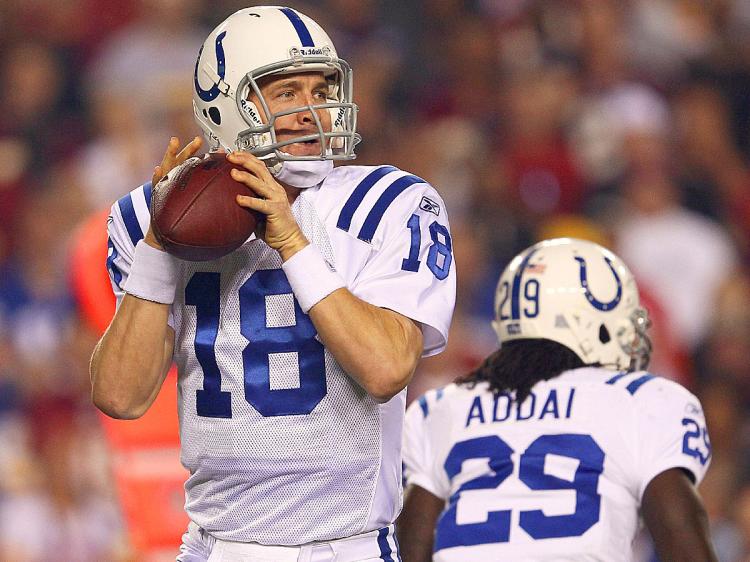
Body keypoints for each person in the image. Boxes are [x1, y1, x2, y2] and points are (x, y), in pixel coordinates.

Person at [90, 6, 456, 562]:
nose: (314, 111)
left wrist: (292, 243)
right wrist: (159, 248)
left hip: (346, 545)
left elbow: (386, 369)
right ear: (225, 104)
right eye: (286, 93)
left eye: (323, 88)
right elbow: (121, 394)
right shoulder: (152, 214)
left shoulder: (389, 202)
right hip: (216, 546)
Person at [397, 238, 717, 562]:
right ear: (590, 322)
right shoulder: (643, 401)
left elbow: (411, 547)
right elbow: (680, 536)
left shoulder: (442, 407)